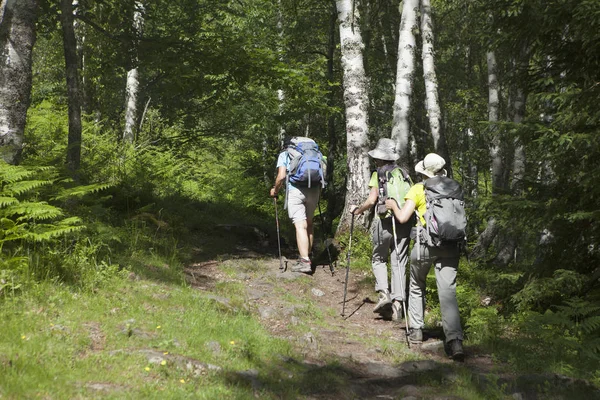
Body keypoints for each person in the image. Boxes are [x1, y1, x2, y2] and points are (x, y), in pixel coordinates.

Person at [385, 153, 465, 361]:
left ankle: (417, 331)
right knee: (448, 292)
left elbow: (402, 217)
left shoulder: (419, 189)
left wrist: (393, 205)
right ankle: (455, 341)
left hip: (425, 245)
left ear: (424, 172)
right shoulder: (455, 188)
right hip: (450, 245)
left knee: (416, 284)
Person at [350, 138, 412, 321]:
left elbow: (371, 200)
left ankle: (384, 293)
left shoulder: (378, 174)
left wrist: (358, 211)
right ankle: (398, 305)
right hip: (404, 221)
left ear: (380, 158)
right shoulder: (405, 173)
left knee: (378, 258)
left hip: (384, 221)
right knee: (399, 261)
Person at [270, 138, 322, 273]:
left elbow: (281, 176)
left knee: (300, 225)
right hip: (314, 190)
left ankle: (305, 261)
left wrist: (275, 190)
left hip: (296, 190)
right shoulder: (314, 153)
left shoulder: (285, 154)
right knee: (309, 224)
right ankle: (307, 256)